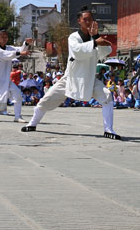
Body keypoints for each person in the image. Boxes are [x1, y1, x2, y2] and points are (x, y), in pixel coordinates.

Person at [22, 8, 120, 139]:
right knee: (46, 100)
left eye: (90, 19)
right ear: (79, 21)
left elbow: (105, 51)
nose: (88, 22)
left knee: (107, 96)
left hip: (89, 78)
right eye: (85, 19)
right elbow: (78, 52)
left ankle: (109, 130)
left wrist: (96, 36)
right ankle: (32, 123)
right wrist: (95, 42)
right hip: (71, 78)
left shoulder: (94, 37)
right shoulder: (73, 37)